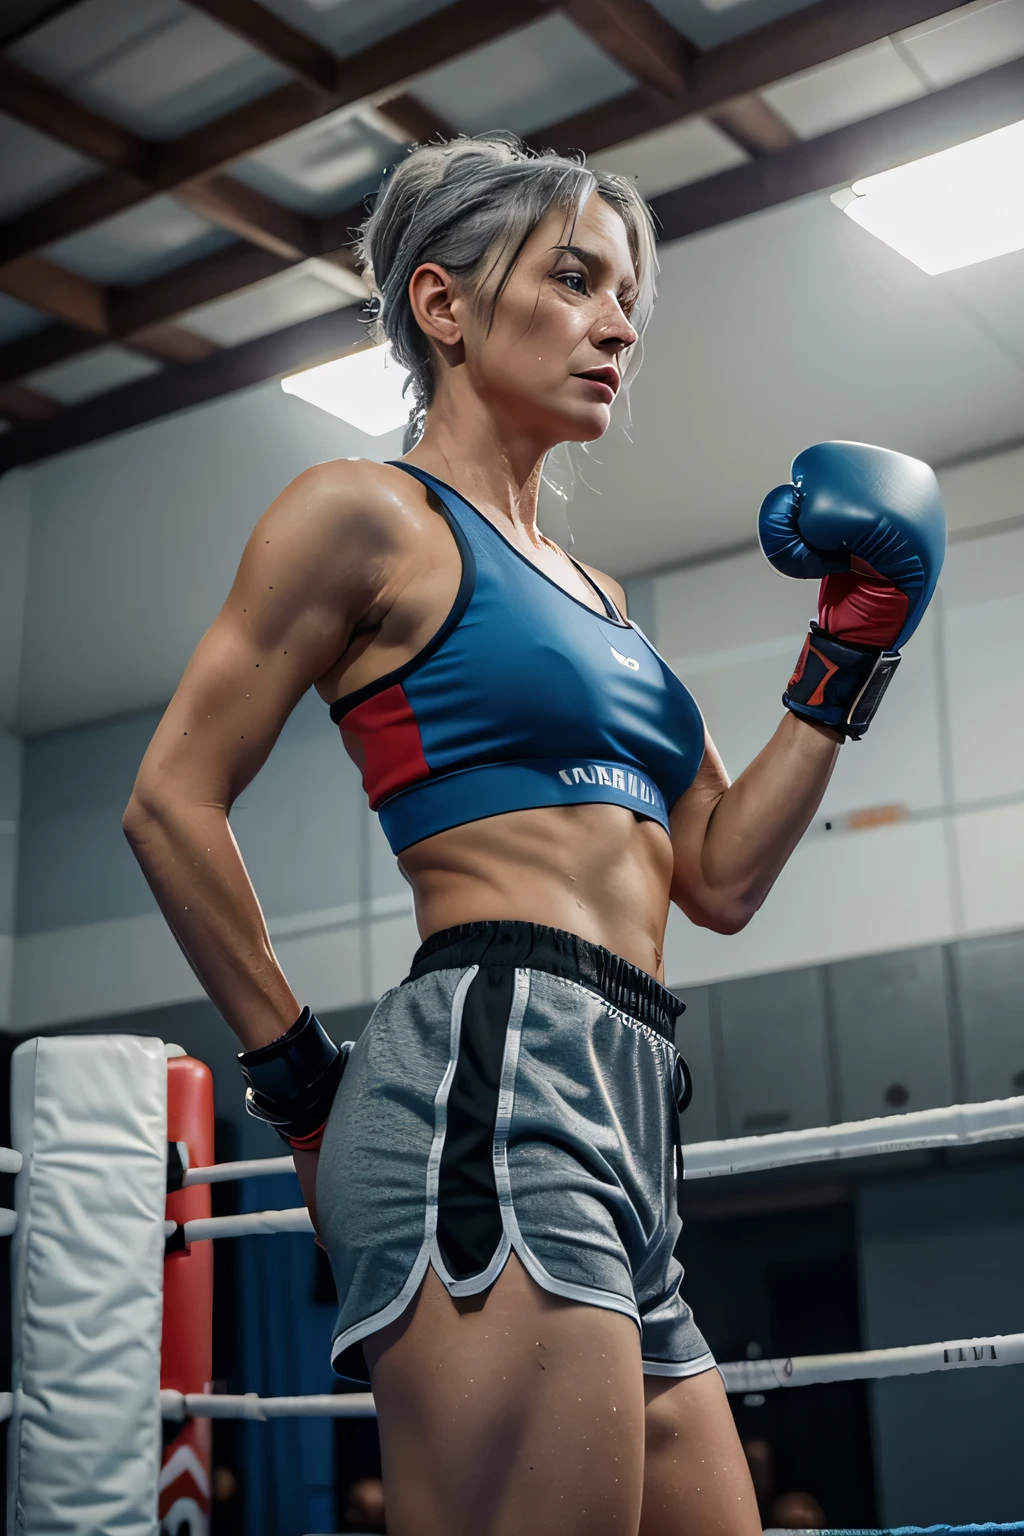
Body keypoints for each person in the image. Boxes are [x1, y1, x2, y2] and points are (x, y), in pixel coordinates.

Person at [124, 133, 944, 1536]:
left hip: (632, 1096)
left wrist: (846, 654)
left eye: (627, 295)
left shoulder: (607, 605)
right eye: (573, 278)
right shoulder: (366, 517)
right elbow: (168, 802)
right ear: (443, 306)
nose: (616, 323)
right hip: (490, 1074)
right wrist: (301, 1088)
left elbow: (724, 875)